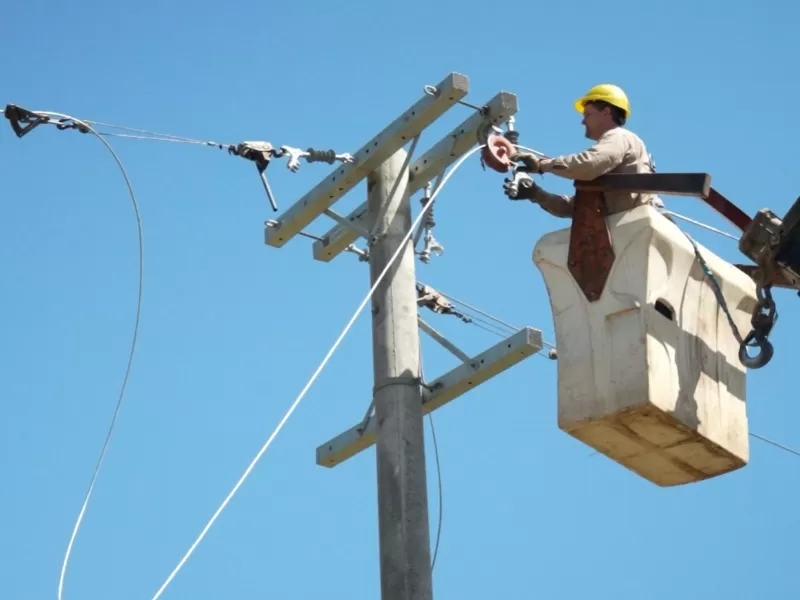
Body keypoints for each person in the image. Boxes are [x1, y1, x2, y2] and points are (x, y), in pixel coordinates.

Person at [503, 83, 662, 218]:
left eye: (587, 114)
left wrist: (542, 165)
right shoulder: (611, 158)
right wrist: (535, 194)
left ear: (606, 112)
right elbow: (577, 208)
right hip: (625, 227)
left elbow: (588, 163)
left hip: (636, 226)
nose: (583, 121)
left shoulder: (620, 137)